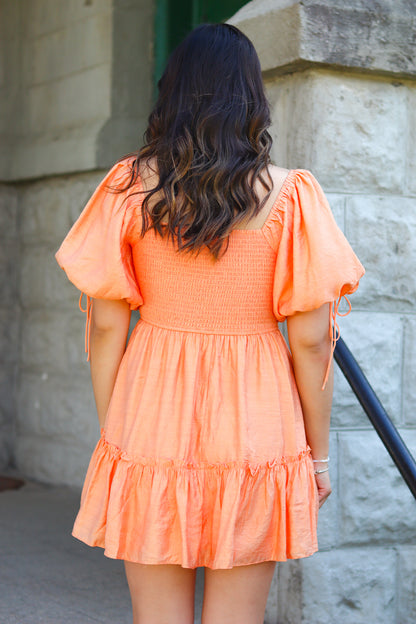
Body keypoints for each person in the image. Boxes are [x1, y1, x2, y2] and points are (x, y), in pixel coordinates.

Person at [55, 23, 364, 624]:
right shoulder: (291, 195)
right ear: (252, 100)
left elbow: (105, 329)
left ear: (170, 94)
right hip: (257, 417)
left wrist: (115, 429)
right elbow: (309, 340)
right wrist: (318, 457)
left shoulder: (126, 188)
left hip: (151, 411)